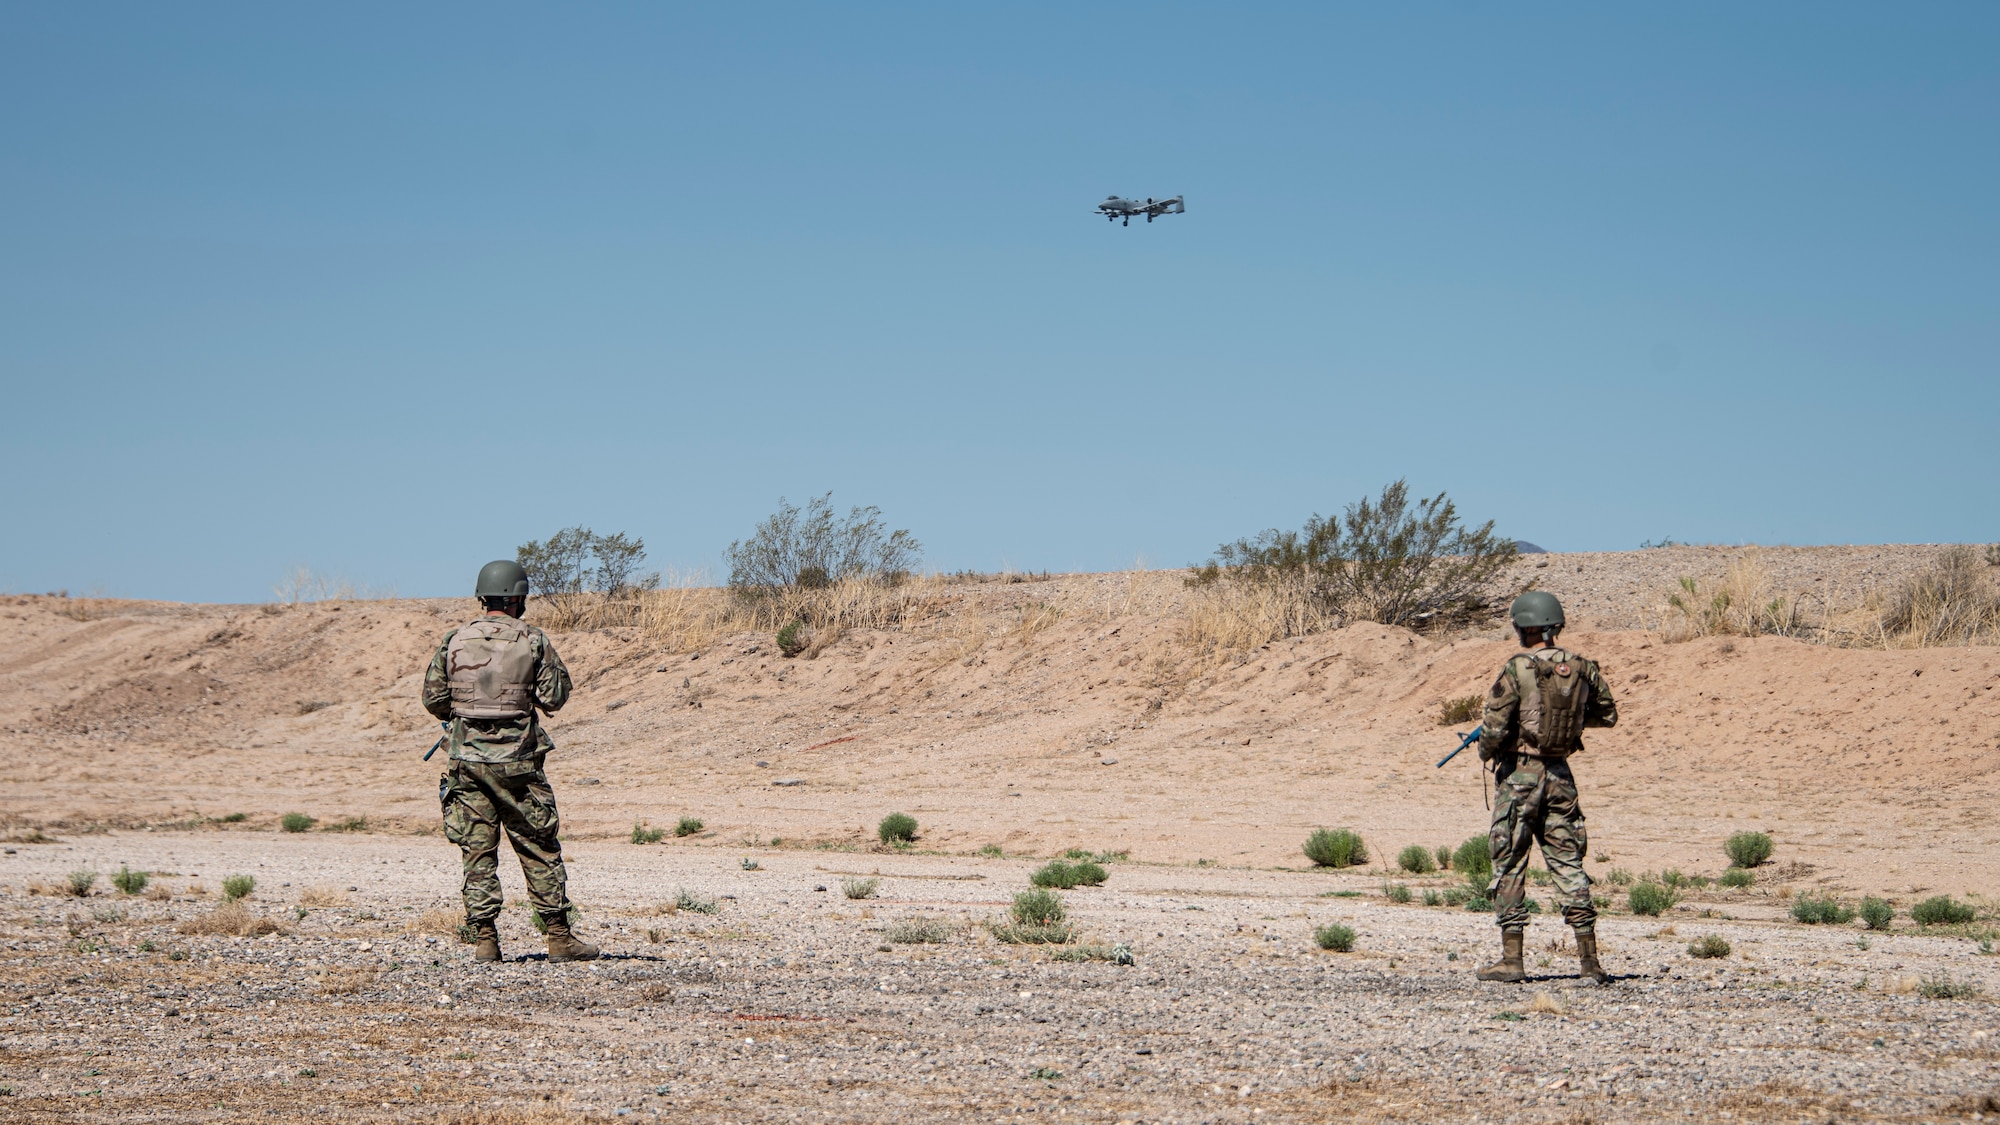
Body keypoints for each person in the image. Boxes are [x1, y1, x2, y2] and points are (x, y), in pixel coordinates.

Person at [422, 559, 600, 963]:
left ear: (483, 597)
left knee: (477, 851)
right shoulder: (533, 640)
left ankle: (486, 941)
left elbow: (433, 699)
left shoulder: (454, 639)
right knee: (538, 845)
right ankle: (558, 938)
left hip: (467, 761)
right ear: (519, 598)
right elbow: (555, 696)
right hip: (519, 763)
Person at [1473, 591, 1618, 984]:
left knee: (1509, 864)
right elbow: (1607, 716)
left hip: (1520, 776)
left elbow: (1495, 728)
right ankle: (1590, 964)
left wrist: (1488, 752)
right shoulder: (1583, 667)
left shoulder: (1517, 668)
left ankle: (1512, 961)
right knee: (1568, 863)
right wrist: (1566, 723)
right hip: (1561, 776)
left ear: (1526, 626)